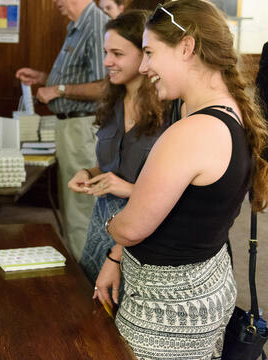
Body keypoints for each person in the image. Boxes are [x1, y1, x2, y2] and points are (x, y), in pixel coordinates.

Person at [97, 1, 268, 358]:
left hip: (167, 314)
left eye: (149, 52)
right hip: (203, 290)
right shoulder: (230, 112)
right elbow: (182, 213)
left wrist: (112, 223)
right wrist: (116, 258)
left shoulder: (192, 131)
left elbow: (131, 228)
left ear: (187, 47)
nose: (144, 67)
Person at [68, 10, 168, 287]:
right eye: (105, 52)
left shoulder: (170, 108)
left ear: (144, 54)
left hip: (145, 229)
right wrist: (87, 173)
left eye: (117, 54)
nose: (107, 62)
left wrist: (126, 188)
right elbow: (110, 167)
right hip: (102, 221)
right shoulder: (112, 101)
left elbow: (179, 196)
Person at [15, 0, 109, 260]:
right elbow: (80, 77)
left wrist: (58, 90)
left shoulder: (97, 24)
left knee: (81, 207)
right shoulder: (77, 26)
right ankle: (81, 272)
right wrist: (45, 78)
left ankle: (87, 282)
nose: (55, 2)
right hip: (70, 125)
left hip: (81, 125)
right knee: (72, 204)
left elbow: (105, 86)